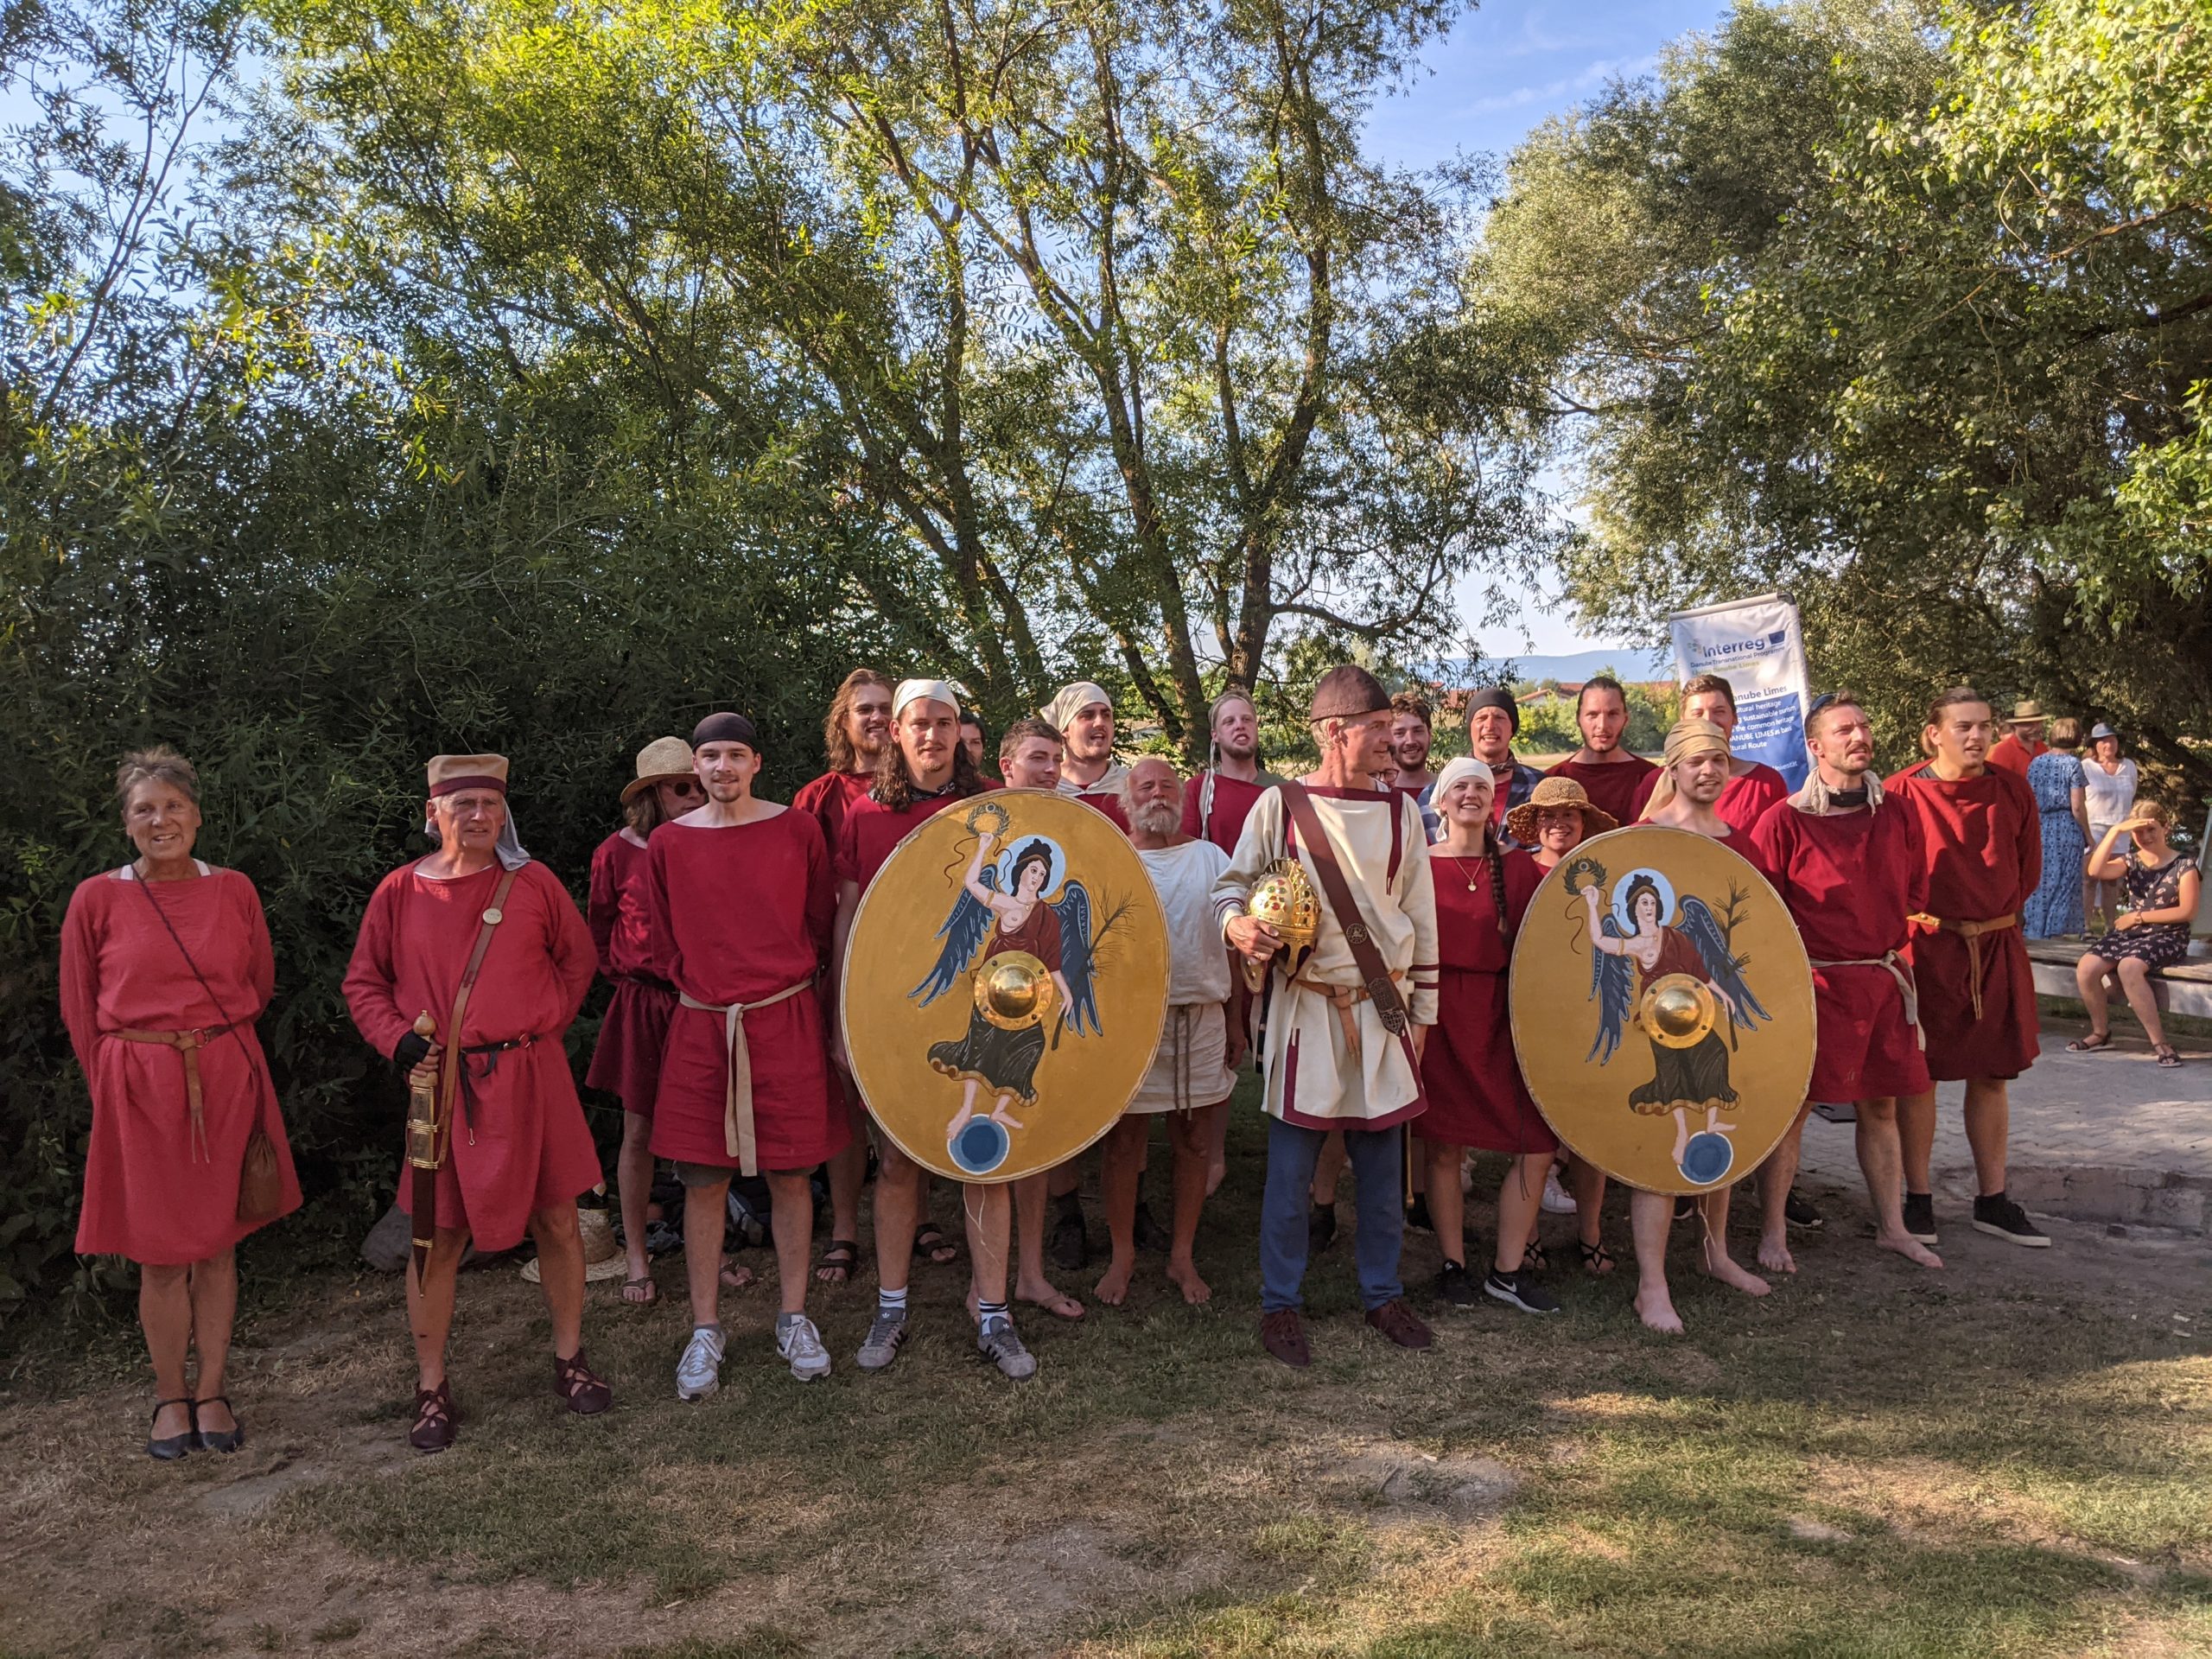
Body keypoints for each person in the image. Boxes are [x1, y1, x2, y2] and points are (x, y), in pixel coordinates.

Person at [343, 753, 608, 1452]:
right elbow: (364, 983)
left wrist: (540, 1021)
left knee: (558, 1219)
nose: (480, 816)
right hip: (446, 1089)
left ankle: (571, 1359)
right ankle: (431, 1386)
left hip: (531, 1076)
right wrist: (396, 1041)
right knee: (438, 1235)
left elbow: (577, 960)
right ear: (434, 813)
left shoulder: (534, 883)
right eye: (463, 805)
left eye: (491, 804)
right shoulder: (399, 892)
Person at [62, 746, 303, 1459]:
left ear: (196, 816)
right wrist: (119, 1083)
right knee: (161, 1257)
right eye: (145, 809)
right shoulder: (96, 898)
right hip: (137, 1089)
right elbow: (80, 1011)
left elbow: (256, 986)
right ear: (127, 823)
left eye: (172, 806)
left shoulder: (234, 890)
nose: (160, 819)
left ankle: (214, 1390)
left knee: (221, 1246)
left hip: (228, 1076)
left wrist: (207, 1046)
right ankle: (171, 1395)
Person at [1217, 664, 1438, 1368]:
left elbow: (1422, 924)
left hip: (1383, 1015)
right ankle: (1279, 1305)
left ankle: (1382, 1294)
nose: (1389, 741)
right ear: (1334, 733)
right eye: (1375, 730)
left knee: (1379, 1171)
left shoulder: (1404, 813)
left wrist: (1422, 1018)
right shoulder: (1279, 808)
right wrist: (1237, 929)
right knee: (1289, 1176)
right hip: (1306, 1015)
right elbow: (1232, 887)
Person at [833, 680, 1038, 1378]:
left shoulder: (993, 809)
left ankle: (993, 1311)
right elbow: (851, 921)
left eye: (944, 723)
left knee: (986, 1158)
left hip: (982, 1002)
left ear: (958, 731)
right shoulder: (865, 816)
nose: (932, 736)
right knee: (896, 1160)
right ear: (896, 731)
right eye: (919, 724)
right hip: (895, 1007)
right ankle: (891, 1305)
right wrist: (843, 1015)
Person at [647, 713, 849, 1397]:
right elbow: (661, 937)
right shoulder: (669, 843)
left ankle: (794, 1316)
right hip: (704, 1026)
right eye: (711, 757)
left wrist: (793, 998)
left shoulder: (796, 829)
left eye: (735, 754)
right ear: (694, 769)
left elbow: (820, 921)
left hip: (784, 1018)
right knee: (704, 1182)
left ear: (756, 762)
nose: (723, 767)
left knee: (793, 1175)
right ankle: (706, 1327)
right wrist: (707, 987)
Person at [1749, 695, 1943, 1273]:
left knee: (1882, 1105)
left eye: (1864, 725)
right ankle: (1772, 1234)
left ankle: (1892, 1227)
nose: (1859, 736)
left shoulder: (1898, 813)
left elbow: (1914, 892)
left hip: (1882, 979)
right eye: (1844, 730)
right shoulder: (1783, 820)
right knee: (1794, 1110)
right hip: (1816, 985)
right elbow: (1763, 911)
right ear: (1816, 746)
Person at [1610, 718, 1776, 1332]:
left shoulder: (1744, 844)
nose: (1709, 770)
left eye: (1720, 760)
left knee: (1714, 1115)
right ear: (1673, 770)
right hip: (1659, 1016)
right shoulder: (1644, 840)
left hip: (1719, 1009)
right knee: (1662, 1138)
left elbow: (1759, 936)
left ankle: (1715, 1252)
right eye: (1697, 760)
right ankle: (1651, 1284)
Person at [1886, 689, 2047, 1249]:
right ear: (1934, 733)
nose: (1976, 737)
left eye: (1984, 726)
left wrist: (1988, 917)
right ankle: (1919, 1199)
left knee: (1993, 1075)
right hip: (1927, 948)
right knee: (1920, 1076)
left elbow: (2028, 874)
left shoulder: (2012, 789)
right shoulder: (1899, 793)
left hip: (1996, 944)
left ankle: (1992, 1199)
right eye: (1962, 726)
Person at [1414, 757, 1559, 1316]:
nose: (1471, 793)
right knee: (1445, 1146)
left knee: (1538, 1145)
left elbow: (1549, 941)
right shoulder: (1418, 867)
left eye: (1480, 785)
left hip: (1503, 1018)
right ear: (1442, 801)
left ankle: (1507, 1270)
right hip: (1440, 1014)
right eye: (1460, 786)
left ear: (1492, 800)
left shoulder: (1520, 871)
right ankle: (1453, 1265)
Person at [1093, 758, 1236, 1306]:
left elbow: (1231, 941)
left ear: (1182, 795)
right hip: (1131, 1025)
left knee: (1196, 1141)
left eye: (1167, 784)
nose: (1158, 793)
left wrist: (1238, 1017)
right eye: (1145, 786)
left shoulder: (1210, 857)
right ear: (1126, 800)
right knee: (1124, 1143)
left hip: (1201, 1018)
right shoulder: (1113, 859)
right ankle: (1123, 1253)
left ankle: (1181, 1256)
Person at [586, 735, 702, 1304]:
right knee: (640, 1131)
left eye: (699, 784)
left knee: (707, 1129)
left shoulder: (709, 841)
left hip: (699, 1000)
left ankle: (713, 1248)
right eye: (682, 786)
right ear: (655, 793)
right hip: (643, 1003)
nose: (693, 795)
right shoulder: (616, 852)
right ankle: (636, 1255)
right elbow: (600, 929)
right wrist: (636, 976)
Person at [796, 668, 895, 1287]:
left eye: (887, 707)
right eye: (865, 709)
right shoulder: (819, 796)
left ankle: (911, 1215)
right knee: (845, 1095)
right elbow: (804, 890)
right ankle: (845, 1229)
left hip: (903, 961)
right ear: (845, 721)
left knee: (903, 1091)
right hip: (838, 958)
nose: (877, 718)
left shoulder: (916, 791)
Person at [991, 717, 1087, 1320]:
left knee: (1034, 1139)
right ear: (1007, 766)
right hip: (986, 1002)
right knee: (987, 1140)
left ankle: (1029, 1275)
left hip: (1043, 1008)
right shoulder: (984, 824)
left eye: (1056, 759)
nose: (1051, 770)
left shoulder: (1075, 829)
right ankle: (987, 1282)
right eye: (1037, 759)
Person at [1502, 775, 1618, 1274]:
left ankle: (1590, 1233)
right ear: (1536, 823)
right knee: (1531, 1134)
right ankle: (1526, 1235)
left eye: (1569, 815)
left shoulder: (1605, 877)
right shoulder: (1518, 874)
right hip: (1533, 1016)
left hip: (1593, 1016)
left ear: (1584, 822)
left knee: (1595, 1132)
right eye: (1549, 816)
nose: (1558, 824)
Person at [2074, 804, 2200, 1068]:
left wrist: (2139, 917)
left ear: (2166, 828)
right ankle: (2100, 1032)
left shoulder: (2184, 865)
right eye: (2138, 833)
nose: (2145, 838)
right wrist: (2115, 831)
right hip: (2132, 934)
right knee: (2086, 967)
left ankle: (2160, 1043)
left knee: (2129, 967)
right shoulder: (2131, 860)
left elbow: (2187, 912)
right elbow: (2095, 871)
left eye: (2151, 830)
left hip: (2168, 935)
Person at [1629, 674, 1789, 834]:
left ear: (1734, 717)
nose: (1708, 720)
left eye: (1719, 711)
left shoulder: (1765, 783)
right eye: (1697, 714)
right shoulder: (1656, 781)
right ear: (1683, 721)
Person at [1433, 686, 1543, 847]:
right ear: (1470, 728)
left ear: (1512, 728)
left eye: (1499, 718)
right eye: (1481, 718)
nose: (1490, 725)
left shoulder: (1538, 787)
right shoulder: (1437, 793)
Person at [1545, 676, 1659, 825]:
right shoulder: (1554, 779)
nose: (1602, 725)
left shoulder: (1651, 778)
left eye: (1612, 714)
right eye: (1592, 715)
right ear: (1578, 719)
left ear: (1625, 719)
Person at [1182, 689, 1284, 854]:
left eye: (1247, 719)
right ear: (1215, 736)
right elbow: (1187, 857)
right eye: (1229, 721)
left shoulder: (1283, 791)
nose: (1240, 725)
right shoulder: (1198, 791)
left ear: (1256, 728)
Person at [2023, 719, 2090, 939]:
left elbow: (2029, 798)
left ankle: (2033, 929)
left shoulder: (2036, 763)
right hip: (2065, 826)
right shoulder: (2072, 764)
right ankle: (2054, 930)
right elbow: (2077, 806)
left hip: (2040, 826)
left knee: (2040, 879)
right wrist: (2088, 835)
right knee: (2064, 881)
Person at [1046, 680, 1129, 830]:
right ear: (1064, 729)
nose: (1099, 723)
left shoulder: (1134, 786)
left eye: (1106, 715)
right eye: (1087, 716)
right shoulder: (1046, 790)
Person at [2081, 725, 2140, 933]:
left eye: (2112, 740)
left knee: (2112, 880)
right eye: (2103, 741)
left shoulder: (2129, 766)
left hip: (2120, 830)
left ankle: (2110, 926)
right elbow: (2080, 799)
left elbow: (2131, 794)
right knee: (2089, 878)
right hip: (2094, 827)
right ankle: (2085, 927)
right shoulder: (2086, 766)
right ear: (2094, 745)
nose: (2108, 744)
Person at [1388, 691, 1439, 796]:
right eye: (1400, 733)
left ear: (1430, 734)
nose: (1410, 741)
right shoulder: (1378, 792)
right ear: (1388, 738)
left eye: (1418, 731)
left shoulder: (1446, 790)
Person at [1987, 700, 2048, 781]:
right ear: (2015, 725)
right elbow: (2001, 786)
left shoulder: (2042, 747)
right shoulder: (2004, 751)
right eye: (2029, 724)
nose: (2035, 728)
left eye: (2039, 723)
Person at [960, 713, 991, 778]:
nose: (968, 749)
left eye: (975, 742)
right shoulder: (934, 786)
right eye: (960, 742)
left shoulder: (994, 787)